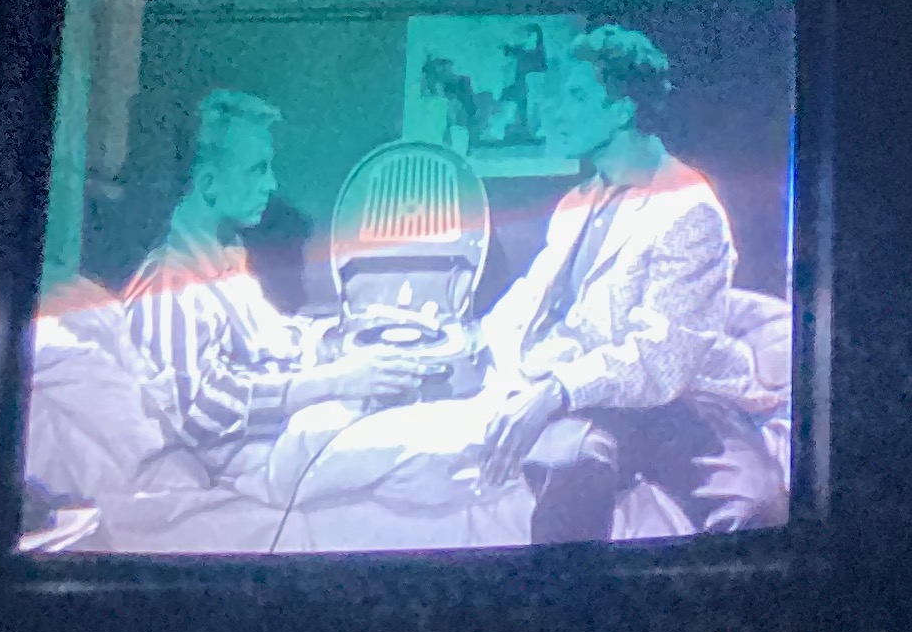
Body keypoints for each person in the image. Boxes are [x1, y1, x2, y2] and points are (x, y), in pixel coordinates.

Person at [271, 28, 785, 547]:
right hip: (590, 396)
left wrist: (553, 393)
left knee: (756, 510)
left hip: (683, 402)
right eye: (556, 94)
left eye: (575, 95)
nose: (553, 110)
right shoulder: (580, 200)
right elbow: (533, 297)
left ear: (623, 108)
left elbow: (662, 359)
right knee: (570, 471)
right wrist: (458, 343)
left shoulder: (687, 208)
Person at [119, 90, 410, 472]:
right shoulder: (170, 284)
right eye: (258, 170)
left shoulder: (227, 262)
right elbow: (197, 413)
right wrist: (334, 382)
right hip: (232, 471)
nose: (271, 184)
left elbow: (271, 344)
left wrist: (352, 333)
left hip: (268, 450)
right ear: (209, 184)